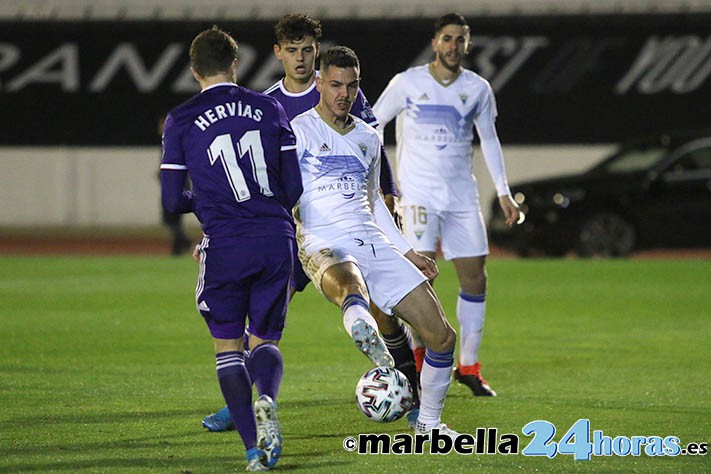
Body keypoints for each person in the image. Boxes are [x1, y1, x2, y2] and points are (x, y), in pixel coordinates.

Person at [202, 13, 421, 433]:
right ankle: (242, 403)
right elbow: (254, 174)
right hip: (290, 233)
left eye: (307, 51)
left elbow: (374, 154)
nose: (301, 60)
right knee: (264, 313)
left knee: (381, 311)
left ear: (317, 55)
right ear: (277, 53)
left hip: (344, 228)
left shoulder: (343, 94)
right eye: (292, 51)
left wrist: (390, 202)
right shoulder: (266, 104)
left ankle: (408, 385)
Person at [292, 45, 458, 436]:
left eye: (351, 86)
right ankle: (366, 331)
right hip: (324, 240)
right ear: (318, 83)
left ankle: (429, 425)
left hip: (373, 241)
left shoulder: (368, 136)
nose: (343, 94)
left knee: (441, 335)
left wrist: (406, 250)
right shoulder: (297, 132)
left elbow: (374, 203)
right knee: (350, 284)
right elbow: (279, 193)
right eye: (335, 84)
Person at [160, 26, 302, 471]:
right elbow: (294, 187)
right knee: (265, 339)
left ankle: (253, 451)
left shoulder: (181, 119)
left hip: (225, 243)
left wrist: (202, 200)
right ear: (235, 64)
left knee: (228, 348)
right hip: (276, 238)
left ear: (193, 69)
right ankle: (268, 400)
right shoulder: (270, 107)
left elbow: (170, 202)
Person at [373, 13, 520, 397]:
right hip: (417, 195)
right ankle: (420, 364)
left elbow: (489, 139)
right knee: (419, 278)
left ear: (466, 45)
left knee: (475, 277)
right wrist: (382, 182)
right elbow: (374, 123)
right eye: (447, 38)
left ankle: (469, 366)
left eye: (460, 39)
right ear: (435, 42)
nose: (453, 46)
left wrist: (502, 191)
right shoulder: (408, 82)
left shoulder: (478, 88)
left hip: (461, 196)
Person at [157, 116, 191, 256]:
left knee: (169, 219)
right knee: (174, 220)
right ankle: (177, 249)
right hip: (180, 186)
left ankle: (185, 241)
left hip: (176, 188)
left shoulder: (172, 143)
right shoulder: (179, 141)